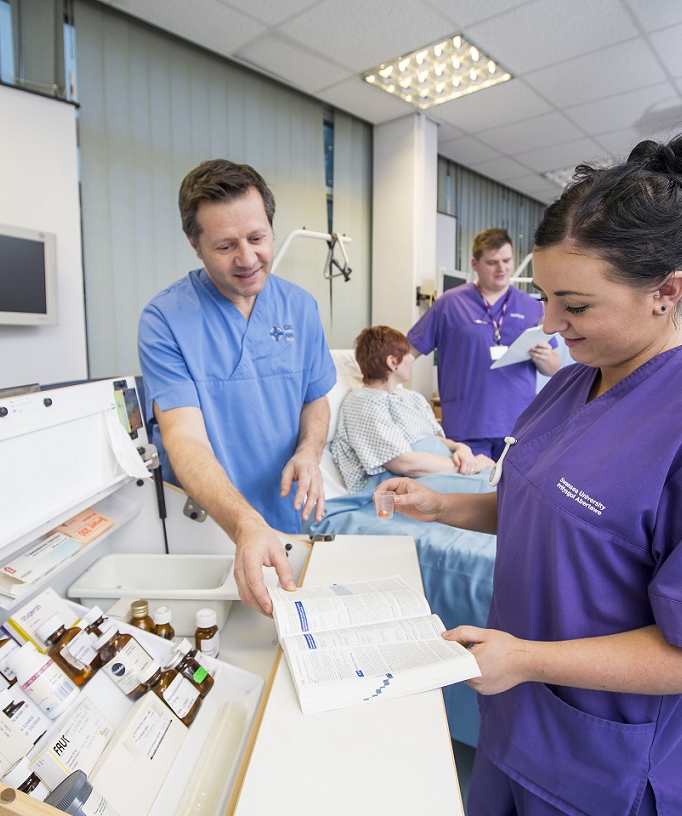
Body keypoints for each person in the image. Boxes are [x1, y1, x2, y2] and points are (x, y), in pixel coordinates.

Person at [381, 133, 682, 815]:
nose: (548, 324)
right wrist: (441, 506)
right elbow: (548, 510)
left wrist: (527, 659)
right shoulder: (573, 384)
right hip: (518, 726)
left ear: (667, 291)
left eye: (573, 306)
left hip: (614, 766)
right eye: (543, 297)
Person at [138, 159, 336, 616]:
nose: (247, 259)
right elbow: (183, 437)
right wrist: (245, 522)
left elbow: (315, 398)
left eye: (257, 238)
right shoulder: (165, 319)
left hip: (288, 517)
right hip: (212, 524)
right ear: (195, 244)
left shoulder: (300, 307)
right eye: (226, 245)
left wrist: (309, 451)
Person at [408, 228, 562, 460]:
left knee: (510, 494)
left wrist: (544, 358)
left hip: (516, 426)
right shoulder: (450, 304)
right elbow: (408, 353)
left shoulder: (531, 306)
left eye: (507, 260)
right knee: (468, 492)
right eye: (492, 262)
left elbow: (554, 367)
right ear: (475, 263)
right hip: (466, 426)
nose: (502, 268)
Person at [330, 325, 495, 493]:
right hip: (402, 481)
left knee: (501, 481)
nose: (411, 358)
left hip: (439, 471)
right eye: (407, 353)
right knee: (492, 491)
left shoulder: (411, 397)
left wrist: (462, 449)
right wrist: (471, 467)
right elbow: (403, 463)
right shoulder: (363, 403)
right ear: (393, 361)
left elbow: (436, 439)